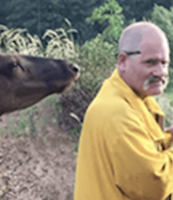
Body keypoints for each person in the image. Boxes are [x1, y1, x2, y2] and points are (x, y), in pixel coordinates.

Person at [74, 21, 173, 200]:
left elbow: (142, 146)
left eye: (164, 63)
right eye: (150, 62)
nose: (161, 72)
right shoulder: (118, 113)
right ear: (123, 61)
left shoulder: (130, 97)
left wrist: (169, 137)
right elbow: (155, 184)